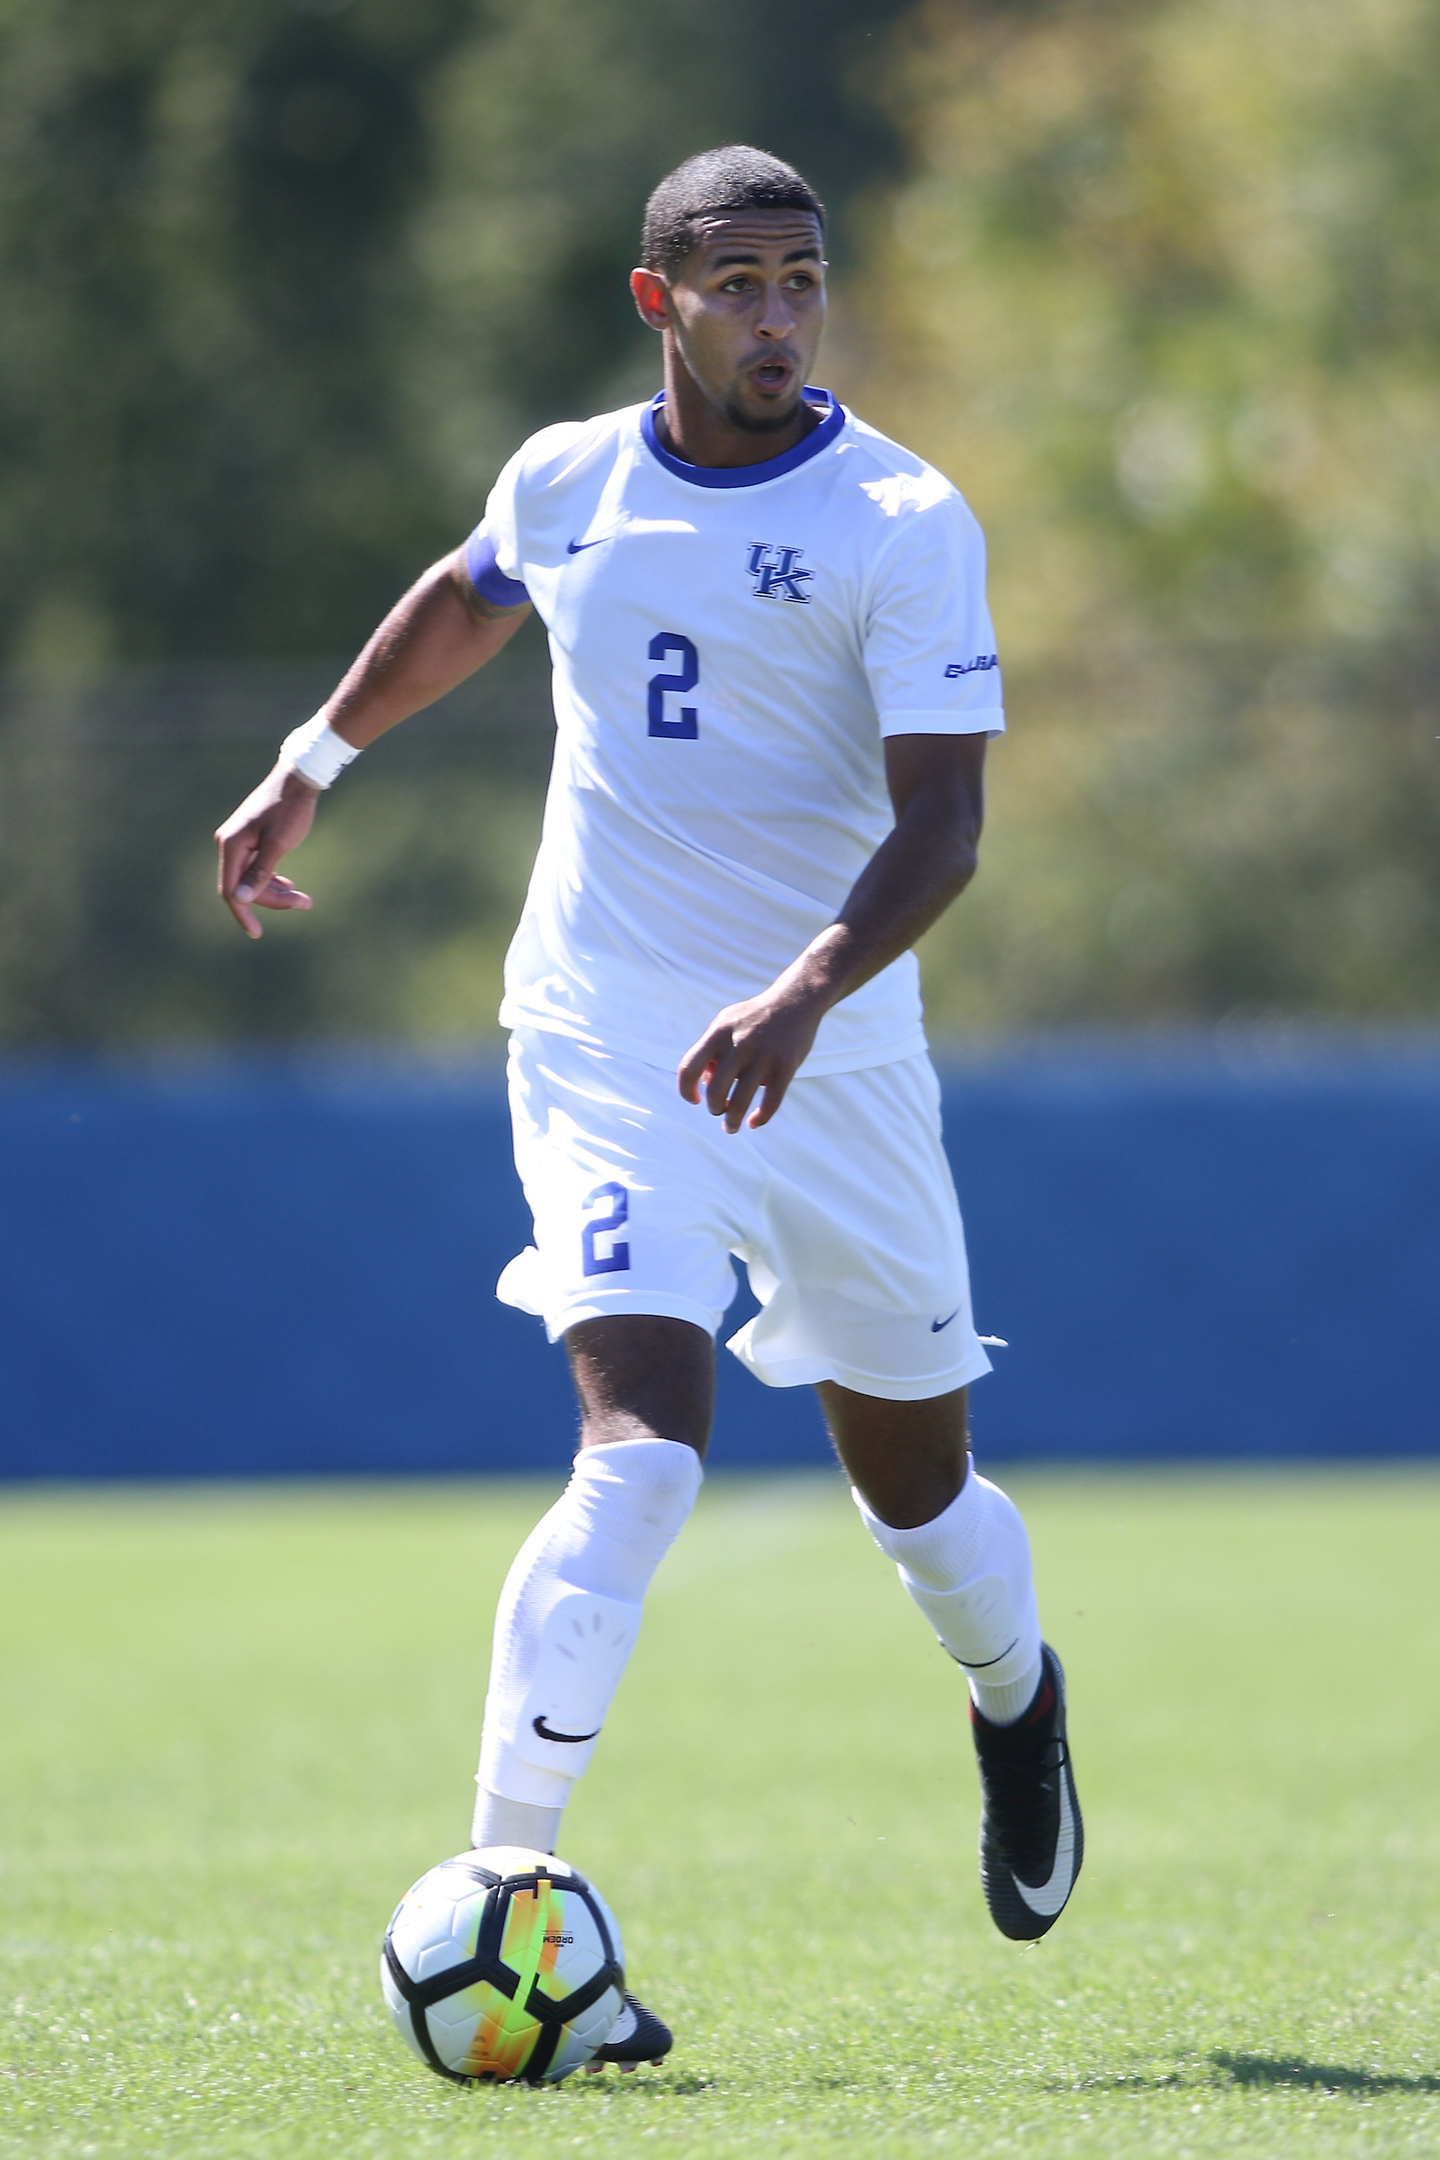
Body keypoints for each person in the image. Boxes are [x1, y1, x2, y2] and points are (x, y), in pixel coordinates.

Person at [215, 144, 1082, 2070]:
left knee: (916, 1493)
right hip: (606, 1044)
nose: (779, 315)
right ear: (657, 300)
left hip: (834, 1057)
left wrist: (800, 993)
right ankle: (504, 1900)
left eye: (804, 281)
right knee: (643, 1455)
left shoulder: (902, 514)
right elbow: (466, 595)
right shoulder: (568, 476)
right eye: (741, 283)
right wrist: (309, 765)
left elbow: (945, 826)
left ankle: (1016, 1703)